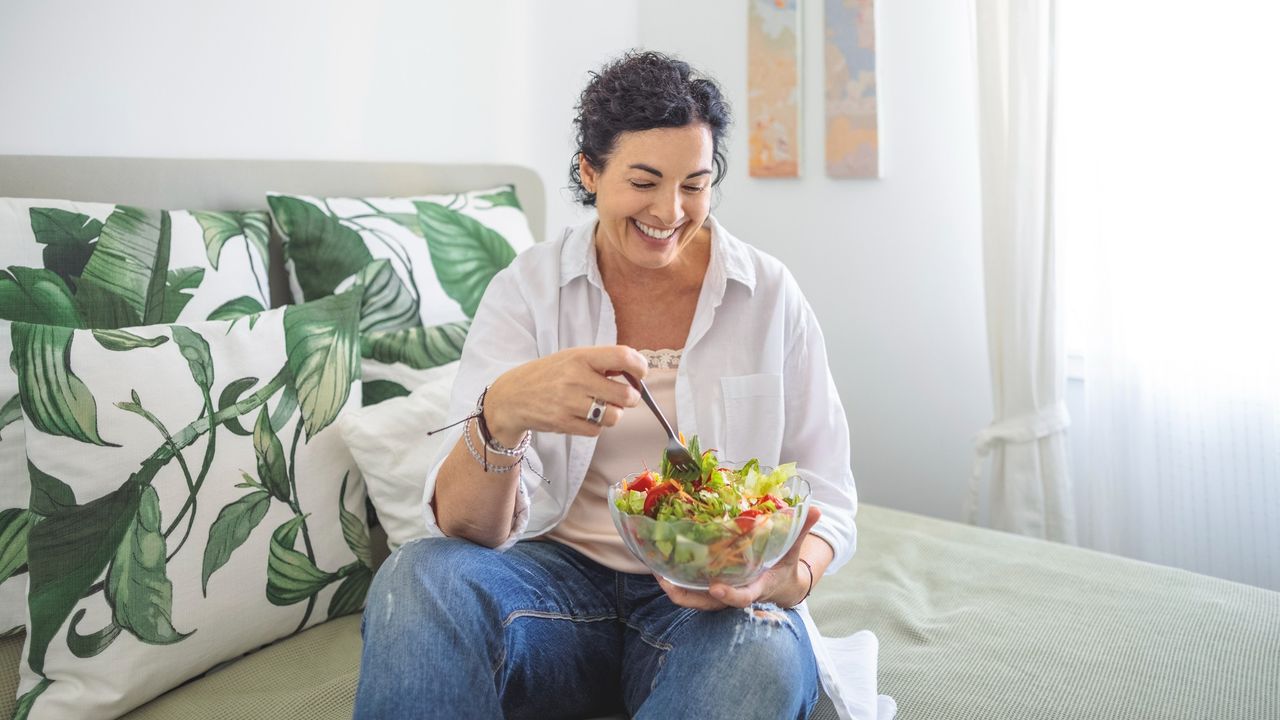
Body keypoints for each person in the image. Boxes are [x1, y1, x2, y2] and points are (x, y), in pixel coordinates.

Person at [354, 51, 858, 720]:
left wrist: (791, 576)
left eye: (695, 184)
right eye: (644, 182)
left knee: (763, 651)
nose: (671, 211)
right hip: (550, 594)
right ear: (590, 172)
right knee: (418, 577)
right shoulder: (527, 292)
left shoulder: (767, 295)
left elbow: (828, 496)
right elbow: (467, 532)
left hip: (707, 605)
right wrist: (500, 414)